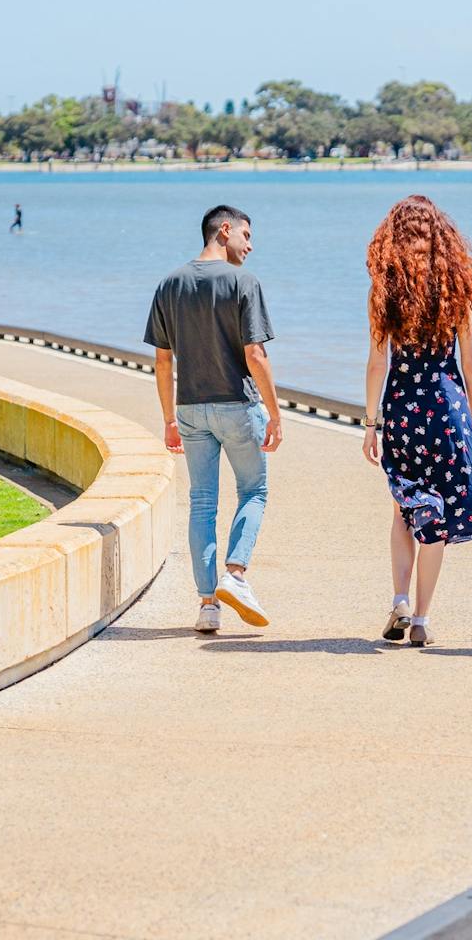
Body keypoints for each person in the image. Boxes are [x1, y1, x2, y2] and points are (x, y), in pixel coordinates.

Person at [361, 196, 472, 647]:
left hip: (402, 408)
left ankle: (399, 597)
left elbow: (377, 363)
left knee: (406, 506)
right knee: (436, 516)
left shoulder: (385, 289)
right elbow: (471, 364)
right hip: (447, 408)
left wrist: (370, 423)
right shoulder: (456, 287)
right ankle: (421, 620)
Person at [145, 204, 282, 633]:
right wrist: (275, 413)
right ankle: (236, 575)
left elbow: (163, 361)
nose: (251, 245)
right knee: (254, 492)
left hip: (189, 407)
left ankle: (207, 605)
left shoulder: (170, 283)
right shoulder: (244, 282)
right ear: (225, 230)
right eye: (246, 235)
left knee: (202, 503)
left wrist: (169, 417)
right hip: (237, 407)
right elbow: (255, 355)